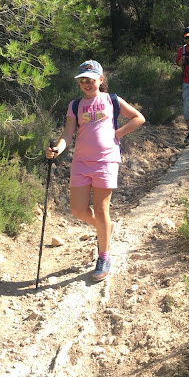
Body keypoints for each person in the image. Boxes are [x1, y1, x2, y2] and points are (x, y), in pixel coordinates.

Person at [45, 60, 145, 282]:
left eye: (91, 79)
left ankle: (104, 256)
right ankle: (105, 229)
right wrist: (57, 150)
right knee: (78, 210)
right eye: (82, 80)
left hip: (106, 161)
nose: (86, 83)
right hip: (81, 162)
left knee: (101, 210)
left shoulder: (111, 100)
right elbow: (67, 134)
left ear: (101, 79)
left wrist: (117, 134)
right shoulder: (74, 105)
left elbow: (138, 118)